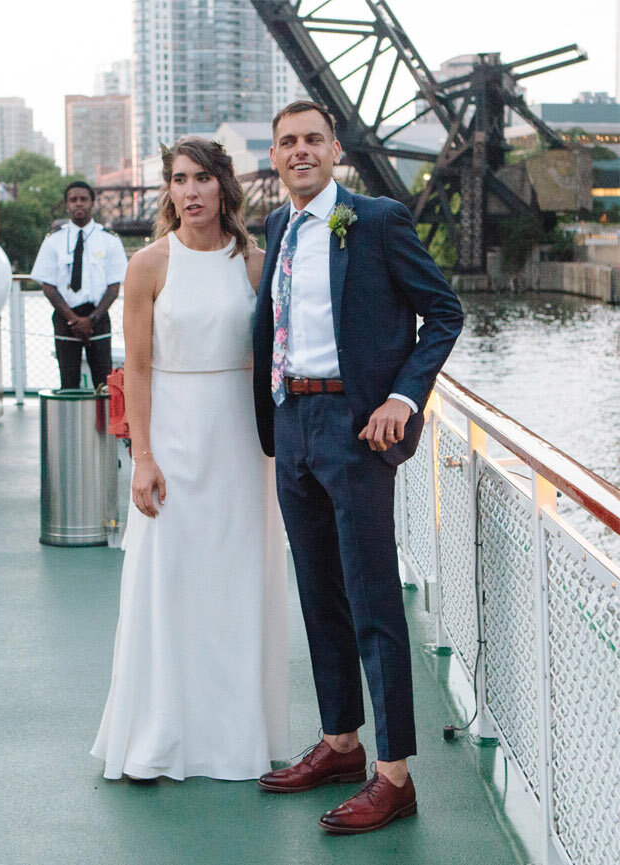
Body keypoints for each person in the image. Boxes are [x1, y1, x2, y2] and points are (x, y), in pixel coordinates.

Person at [251, 101, 463, 834]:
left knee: (374, 600)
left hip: (356, 426)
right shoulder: (277, 227)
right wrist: (277, 417)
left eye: (313, 139)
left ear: (335, 147)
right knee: (319, 594)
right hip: (293, 422)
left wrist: (403, 396)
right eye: (288, 143)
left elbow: (443, 313)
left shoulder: (375, 220)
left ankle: (394, 774)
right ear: (274, 157)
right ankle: (341, 742)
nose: (301, 151)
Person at [91, 137, 289, 783]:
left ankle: (235, 739)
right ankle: (159, 733)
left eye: (203, 177)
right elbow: (138, 368)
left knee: (235, 581)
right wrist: (141, 456)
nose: (192, 191)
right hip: (171, 436)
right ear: (168, 190)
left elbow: (277, 353)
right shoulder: (149, 264)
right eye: (179, 179)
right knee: (167, 576)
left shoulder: (255, 263)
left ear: (223, 186)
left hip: (238, 437)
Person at [31, 180, 129, 390]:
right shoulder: (53, 241)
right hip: (66, 318)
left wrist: (91, 319)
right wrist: (74, 320)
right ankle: (71, 423)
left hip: (98, 317)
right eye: (73, 200)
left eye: (83, 199)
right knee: (68, 381)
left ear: (93, 203)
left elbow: (114, 287)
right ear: (66, 205)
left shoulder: (109, 240)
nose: (78, 204)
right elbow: (48, 286)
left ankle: (104, 424)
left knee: (104, 382)